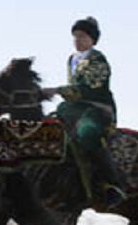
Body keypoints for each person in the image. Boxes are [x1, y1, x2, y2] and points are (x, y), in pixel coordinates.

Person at [41, 16, 127, 208]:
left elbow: (89, 89)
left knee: (87, 133)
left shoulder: (97, 60)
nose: (77, 40)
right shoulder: (72, 59)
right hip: (74, 108)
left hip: (97, 108)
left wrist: (57, 90)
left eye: (82, 36)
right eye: (75, 36)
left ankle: (113, 184)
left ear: (92, 39)